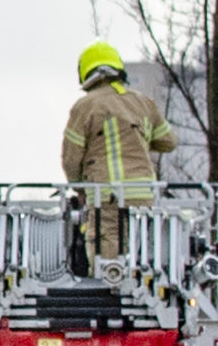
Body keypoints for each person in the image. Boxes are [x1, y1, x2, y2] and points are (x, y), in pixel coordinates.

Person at [59, 43, 173, 265]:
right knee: (141, 254)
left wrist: (78, 187)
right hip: (143, 194)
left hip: (106, 195)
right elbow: (168, 141)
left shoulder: (86, 105)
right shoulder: (143, 102)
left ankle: (114, 292)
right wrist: (138, 138)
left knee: (108, 258)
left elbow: (71, 158)